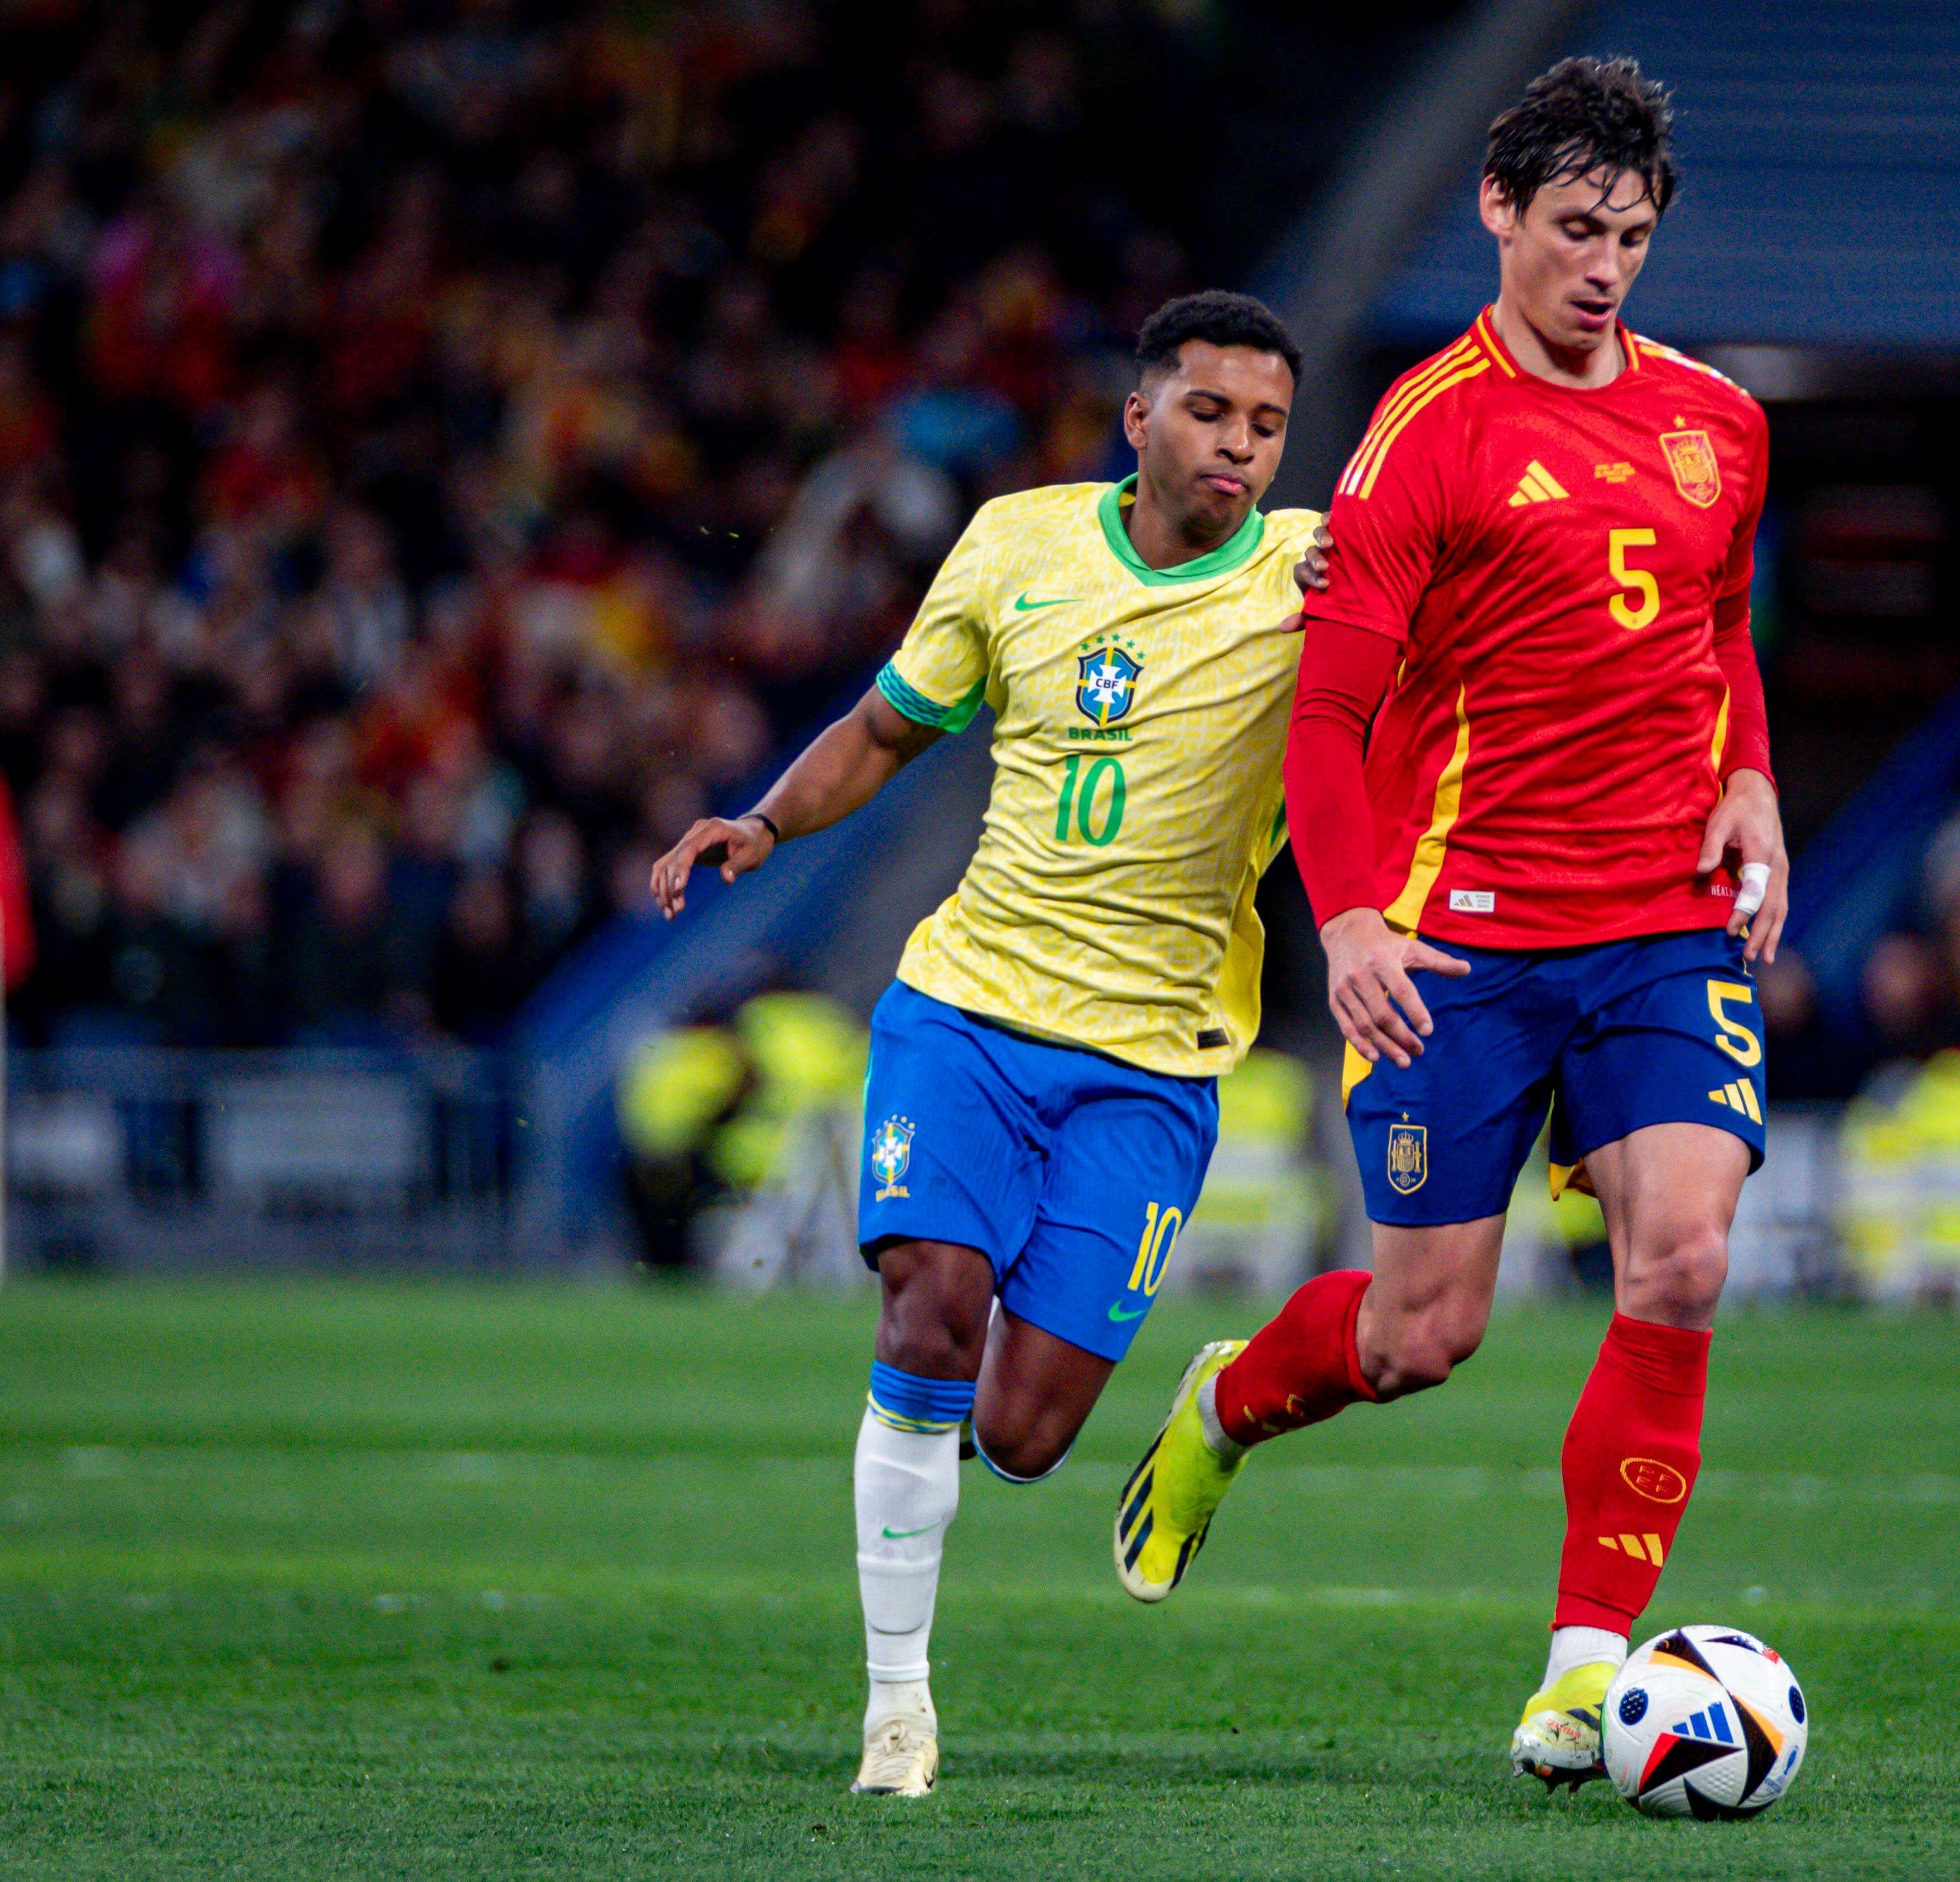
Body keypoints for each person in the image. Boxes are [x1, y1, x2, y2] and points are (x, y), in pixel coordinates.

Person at [1112, 57, 1788, 1788]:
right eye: (1574, 227)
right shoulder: (1426, 435)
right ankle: (1222, 1408)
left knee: (1688, 1255)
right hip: (1457, 932)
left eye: (1631, 233)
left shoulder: (1724, 421)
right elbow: (1325, 721)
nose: (1604, 264)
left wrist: (1753, 783)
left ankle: (1585, 1673)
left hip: (1662, 920)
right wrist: (1343, 922)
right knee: (1426, 1333)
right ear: (1497, 210)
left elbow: (1717, 629)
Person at [647, 291, 1319, 1798]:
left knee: (1018, 1435)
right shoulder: (1015, 544)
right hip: (967, 1009)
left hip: (1153, 1063)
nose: (1240, 446)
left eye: (1268, 425)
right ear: (1140, 418)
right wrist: (762, 818)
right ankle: (900, 1713)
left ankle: (1203, 1402)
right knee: (927, 1309)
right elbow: (889, 729)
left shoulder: (1314, 571)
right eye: (1212, 412)